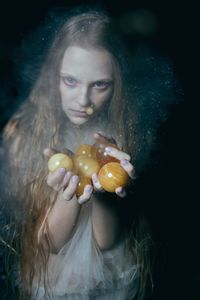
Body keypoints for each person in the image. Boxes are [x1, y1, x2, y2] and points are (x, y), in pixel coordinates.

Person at [0, 6, 178, 300]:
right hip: (56, 281)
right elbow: (48, 245)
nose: (83, 100)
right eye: (70, 81)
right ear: (52, 76)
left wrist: (104, 190)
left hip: (110, 279)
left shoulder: (125, 133)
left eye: (100, 85)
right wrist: (66, 194)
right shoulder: (23, 133)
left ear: (117, 83)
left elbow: (107, 243)